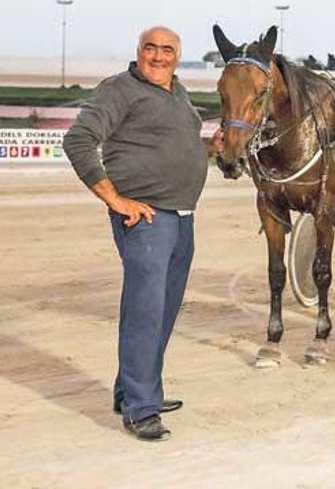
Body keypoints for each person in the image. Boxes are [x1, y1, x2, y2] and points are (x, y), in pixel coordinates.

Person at [63, 26, 221, 441]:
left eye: (167, 49)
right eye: (150, 48)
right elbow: (79, 140)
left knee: (163, 310)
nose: (158, 56)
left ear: (177, 55)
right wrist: (116, 200)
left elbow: (175, 147)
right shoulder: (120, 89)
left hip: (183, 217)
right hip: (147, 219)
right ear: (139, 52)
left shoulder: (179, 94)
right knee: (145, 310)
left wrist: (210, 148)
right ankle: (140, 407)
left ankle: (132, 390)